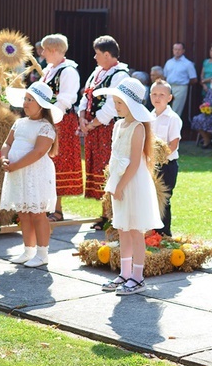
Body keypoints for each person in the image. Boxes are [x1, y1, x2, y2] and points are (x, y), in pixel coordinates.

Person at [98, 77, 162, 295]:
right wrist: (114, 183)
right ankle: (124, 273)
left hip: (133, 183)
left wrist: (121, 185)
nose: (116, 107)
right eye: (115, 102)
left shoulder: (138, 128)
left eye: (120, 103)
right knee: (122, 228)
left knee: (135, 230)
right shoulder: (117, 125)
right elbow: (116, 156)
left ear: (132, 104)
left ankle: (138, 276)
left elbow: (135, 162)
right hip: (119, 181)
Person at [0, 82, 63, 267]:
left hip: (35, 174)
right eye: (25, 99)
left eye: (30, 100)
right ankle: (28, 250)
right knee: (24, 212)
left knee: (37, 213)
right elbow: (7, 143)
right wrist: (4, 158)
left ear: (42, 104)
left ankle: (42, 253)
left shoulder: (46, 127)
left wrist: (15, 165)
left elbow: (37, 152)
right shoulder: (19, 123)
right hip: (18, 173)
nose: (25, 103)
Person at [78, 35, 129, 230]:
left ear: (108, 55)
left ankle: (112, 216)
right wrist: (82, 117)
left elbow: (111, 107)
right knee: (98, 168)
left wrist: (91, 124)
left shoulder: (120, 75)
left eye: (97, 54)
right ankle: (105, 214)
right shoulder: (98, 72)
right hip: (94, 128)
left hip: (108, 129)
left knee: (109, 168)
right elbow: (86, 97)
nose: (94, 57)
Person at [39, 34, 82, 222]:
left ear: (54, 50)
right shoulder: (50, 69)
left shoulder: (68, 71)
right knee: (47, 161)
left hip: (61, 121)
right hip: (48, 119)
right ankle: (46, 206)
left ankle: (57, 209)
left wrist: (51, 115)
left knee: (58, 161)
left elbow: (67, 98)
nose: (42, 53)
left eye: (45, 50)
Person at [149, 80, 182, 237]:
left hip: (167, 165)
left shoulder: (172, 118)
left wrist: (159, 155)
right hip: (151, 164)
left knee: (164, 200)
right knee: (151, 199)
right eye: (154, 94)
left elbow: (173, 144)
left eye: (161, 95)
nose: (157, 98)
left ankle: (164, 234)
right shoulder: (149, 116)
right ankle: (152, 233)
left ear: (169, 98)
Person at [164, 42, 197, 119]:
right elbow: (165, 76)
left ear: (183, 51)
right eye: (175, 49)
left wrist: (184, 83)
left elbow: (194, 79)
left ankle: (173, 127)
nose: (177, 51)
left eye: (179, 49)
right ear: (173, 50)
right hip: (169, 87)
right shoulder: (169, 62)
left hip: (181, 87)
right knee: (166, 107)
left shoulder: (188, 64)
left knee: (176, 109)